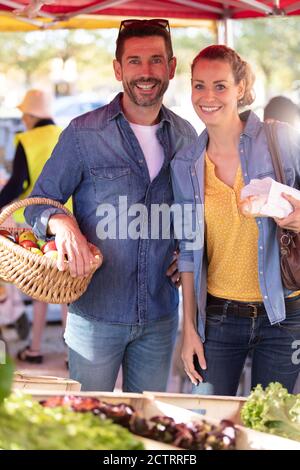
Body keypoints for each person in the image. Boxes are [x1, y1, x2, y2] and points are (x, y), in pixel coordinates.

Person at [24, 19, 197, 392]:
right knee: (89, 427)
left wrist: (186, 249)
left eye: (155, 60)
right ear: (118, 68)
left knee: (146, 429)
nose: (146, 72)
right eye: (134, 61)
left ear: (171, 67)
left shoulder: (186, 136)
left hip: (160, 316)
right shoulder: (83, 134)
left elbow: (196, 213)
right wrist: (63, 223)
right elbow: (37, 203)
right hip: (95, 316)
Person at [171, 45, 300, 396]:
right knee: (206, 420)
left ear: (240, 88)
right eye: (199, 86)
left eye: (220, 86)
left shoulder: (281, 140)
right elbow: (187, 251)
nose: (207, 96)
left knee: (269, 426)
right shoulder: (185, 164)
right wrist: (189, 330)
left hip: (284, 315)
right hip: (219, 319)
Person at [0, 89, 70, 364]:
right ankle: (69, 353)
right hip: (69, 221)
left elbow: (17, 184)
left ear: (29, 115)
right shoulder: (65, 135)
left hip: (37, 221)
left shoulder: (26, 140)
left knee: (39, 287)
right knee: (66, 288)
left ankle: (36, 348)